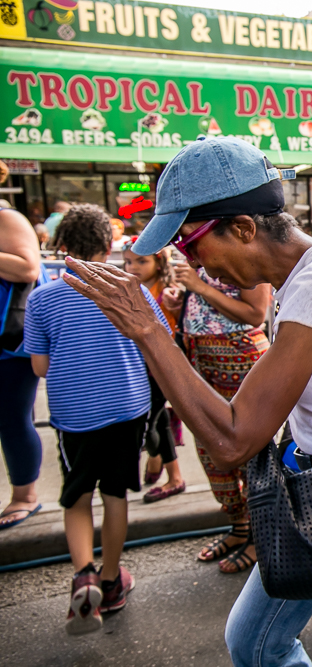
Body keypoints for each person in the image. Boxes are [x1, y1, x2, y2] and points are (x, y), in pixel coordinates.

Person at [63, 136, 312, 666]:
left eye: (189, 244)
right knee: (253, 641)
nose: (193, 265)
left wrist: (148, 330)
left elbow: (233, 439)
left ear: (242, 227)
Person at [24, 204, 169, 634]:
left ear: (61, 246)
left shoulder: (43, 297)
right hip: (127, 408)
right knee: (117, 493)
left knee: (77, 494)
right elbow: (157, 344)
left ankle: (83, 573)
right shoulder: (132, 290)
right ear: (110, 245)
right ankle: (110, 580)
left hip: (74, 415)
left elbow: (39, 368)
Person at [163, 231, 271, 573]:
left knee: (248, 451)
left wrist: (200, 288)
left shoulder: (247, 254)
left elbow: (255, 314)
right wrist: (179, 304)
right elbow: (202, 305)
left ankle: (260, 537)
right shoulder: (197, 257)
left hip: (240, 359)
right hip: (201, 358)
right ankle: (239, 528)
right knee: (211, 451)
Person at [122, 239, 187, 503]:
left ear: (158, 262)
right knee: (158, 420)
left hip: (159, 366)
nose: (133, 266)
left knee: (150, 422)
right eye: (128, 261)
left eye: (141, 261)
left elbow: (170, 332)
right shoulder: (132, 288)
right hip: (139, 366)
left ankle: (161, 464)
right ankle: (171, 472)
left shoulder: (166, 291)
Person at [0, 173, 45, 531]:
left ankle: (24, 496)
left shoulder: (8, 218)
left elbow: (29, 267)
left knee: (13, 418)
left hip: (9, 342)